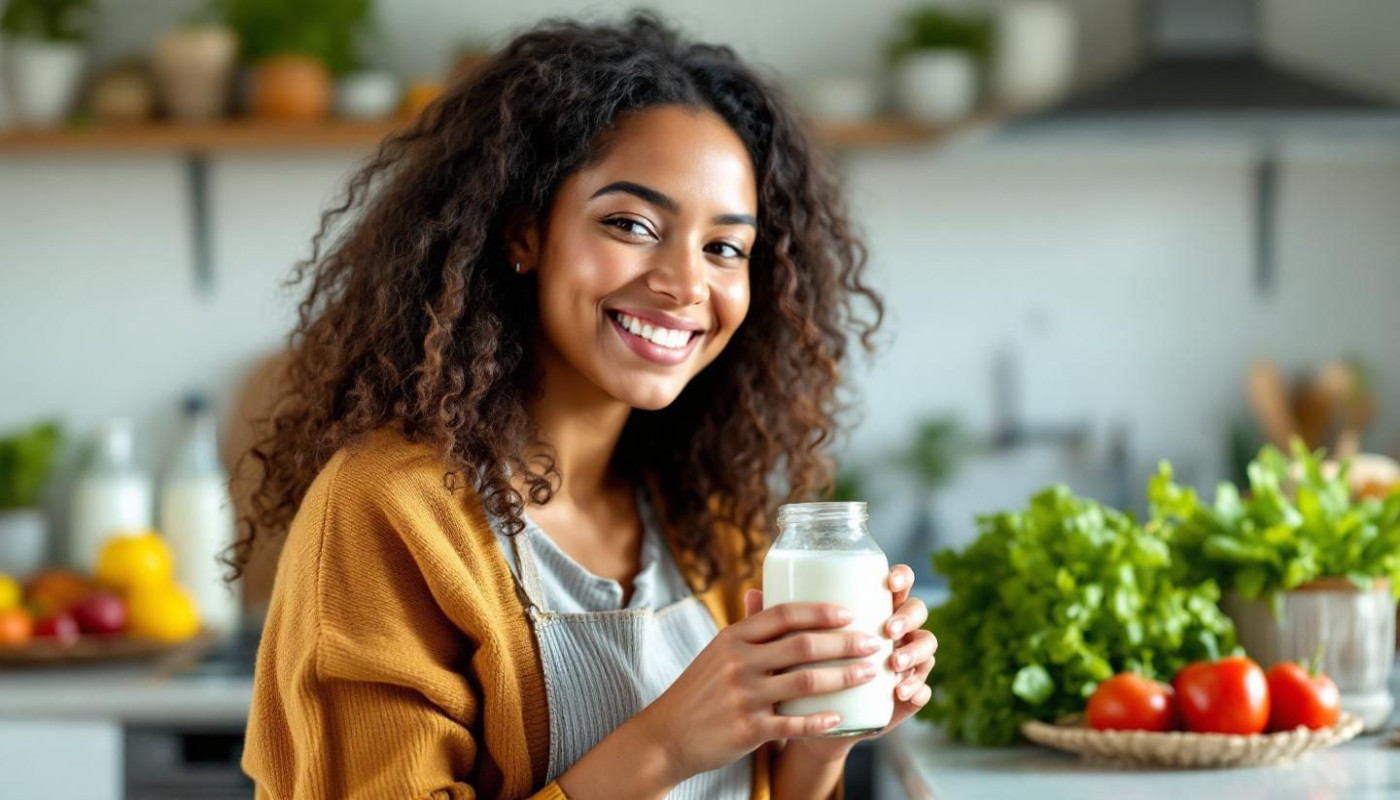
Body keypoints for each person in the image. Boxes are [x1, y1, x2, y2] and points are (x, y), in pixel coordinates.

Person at [233, 13, 937, 799]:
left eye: (724, 247)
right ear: (524, 233)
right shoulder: (388, 510)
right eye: (631, 224)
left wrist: (818, 738)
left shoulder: (707, 516)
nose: (685, 284)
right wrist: (666, 744)